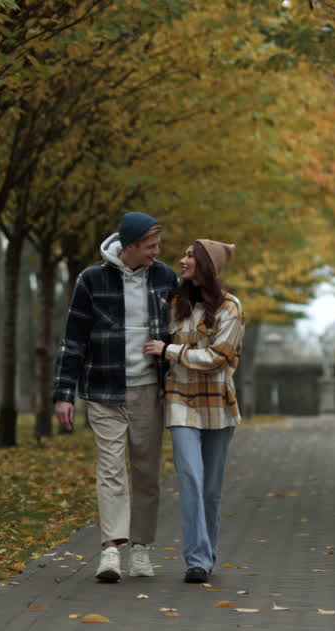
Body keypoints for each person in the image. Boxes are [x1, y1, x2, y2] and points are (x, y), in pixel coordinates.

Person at [53, 212, 180, 583]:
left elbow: (180, 330)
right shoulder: (92, 280)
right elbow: (73, 340)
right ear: (129, 247)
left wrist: (169, 349)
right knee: (111, 469)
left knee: (145, 472)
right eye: (150, 247)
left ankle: (140, 549)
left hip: (148, 391)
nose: (156, 254)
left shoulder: (165, 277)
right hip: (104, 389)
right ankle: (111, 549)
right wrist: (64, 394)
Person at [143, 239, 243, 584]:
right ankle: (197, 560)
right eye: (184, 253)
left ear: (206, 265)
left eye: (190, 255)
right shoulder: (175, 302)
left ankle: (207, 554)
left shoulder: (230, 308)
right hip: (180, 401)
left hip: (218, 406)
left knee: (211, 488)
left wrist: (170, 351)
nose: (182, 260)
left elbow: (218, 359)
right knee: (190, 479)